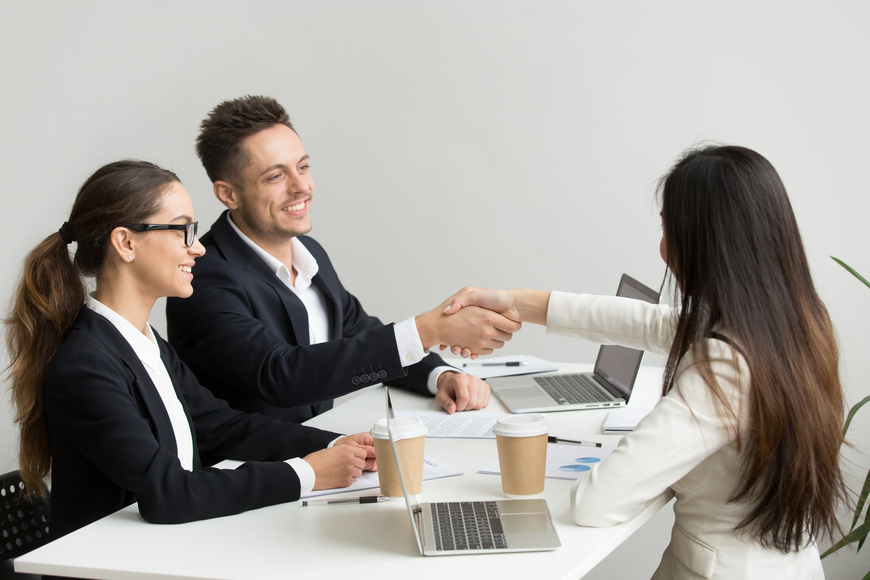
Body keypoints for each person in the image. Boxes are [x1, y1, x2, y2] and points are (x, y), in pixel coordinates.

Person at [441, 145, 844, 579]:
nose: (663, 247)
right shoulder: (794, 320)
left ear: (706, 242)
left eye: (670, 228)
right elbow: (645, 321)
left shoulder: (727, 365)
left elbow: (596, 502)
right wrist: (515, 302)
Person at [6, 160, 377, 539]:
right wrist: (309, 473)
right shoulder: (85, 365)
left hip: (172, 548)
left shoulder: (145, 344)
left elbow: (224, 428)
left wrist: (335, 444)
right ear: (126, 243)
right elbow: (171, 492)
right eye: (183, 230)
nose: (198, 248)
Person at [165, 95, 519, 423]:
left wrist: (439, 375)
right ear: (228, 194)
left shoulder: (309, 254)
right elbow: (282, 375)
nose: (300, 186)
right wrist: (429, 329)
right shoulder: (203, 277)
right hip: (247, 476)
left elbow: (361, 334)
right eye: (275, 176)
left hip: (321, 462)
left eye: (302, 167)